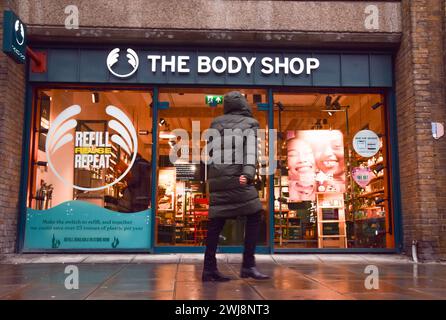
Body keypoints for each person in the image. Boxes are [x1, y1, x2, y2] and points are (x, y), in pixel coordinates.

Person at [203, 91, 270, 282]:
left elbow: (209, 153)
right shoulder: (250, 123)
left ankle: (209, 269)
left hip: (218, 179)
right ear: (243, 105)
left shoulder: (216, 123)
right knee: (255, 214)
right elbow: (250, 152)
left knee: (216, 223)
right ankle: (248, 265)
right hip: (238, 178)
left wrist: (213, 176)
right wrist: (248, 174)